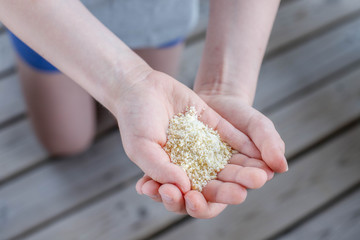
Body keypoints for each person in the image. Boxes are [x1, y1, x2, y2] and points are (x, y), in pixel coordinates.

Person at [0, 0, 287, 219]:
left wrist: (225, 86)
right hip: (49, 17)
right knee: (66, 140)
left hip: (157, 12)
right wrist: (128, 82)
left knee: (147, 106)